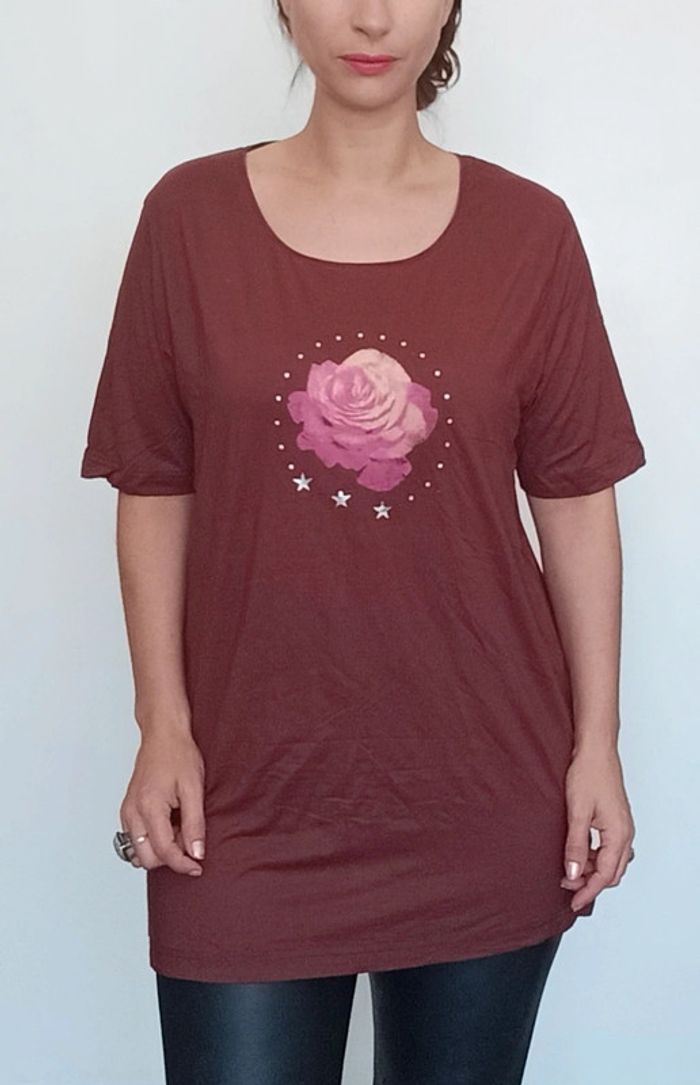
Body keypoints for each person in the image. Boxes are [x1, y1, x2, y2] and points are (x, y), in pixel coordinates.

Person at [80, 1, 645, 1082]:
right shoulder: (187, 219)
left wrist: (597, 746)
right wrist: (161, 726)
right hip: (243, 799)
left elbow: (575, 499)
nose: (373, 16)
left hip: (485, 792)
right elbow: (153, 484)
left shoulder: (529, 232)